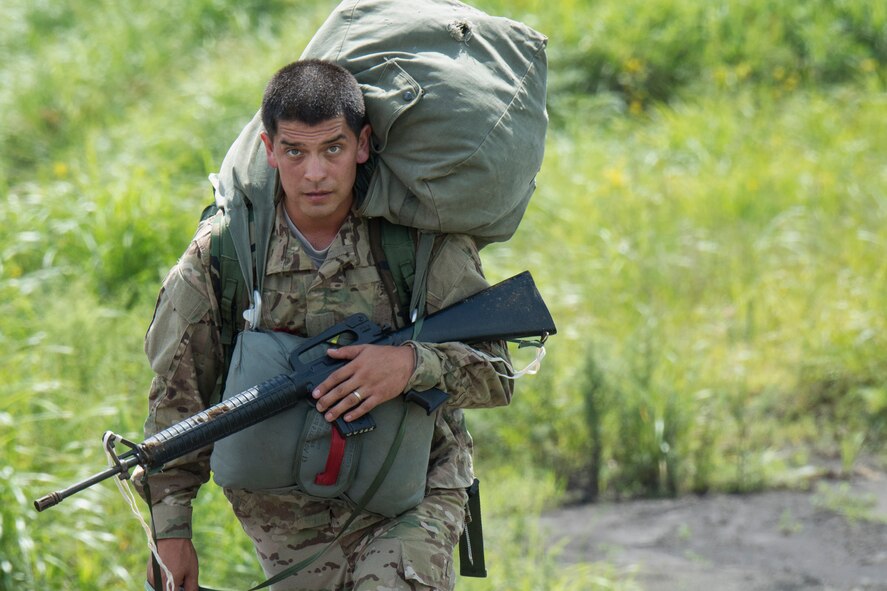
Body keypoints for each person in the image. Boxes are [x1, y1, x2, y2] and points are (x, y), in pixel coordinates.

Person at [138, 59, 513, 591]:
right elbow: (179, 398)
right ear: (270, 151)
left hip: (414, 492)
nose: (314, 173)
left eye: (332, 148)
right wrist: (170, 529)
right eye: (295, 151)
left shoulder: (418, 242)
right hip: (285, 511)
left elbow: (500, 372)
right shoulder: (225, 255)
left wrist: (409, 365)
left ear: (362, 146)